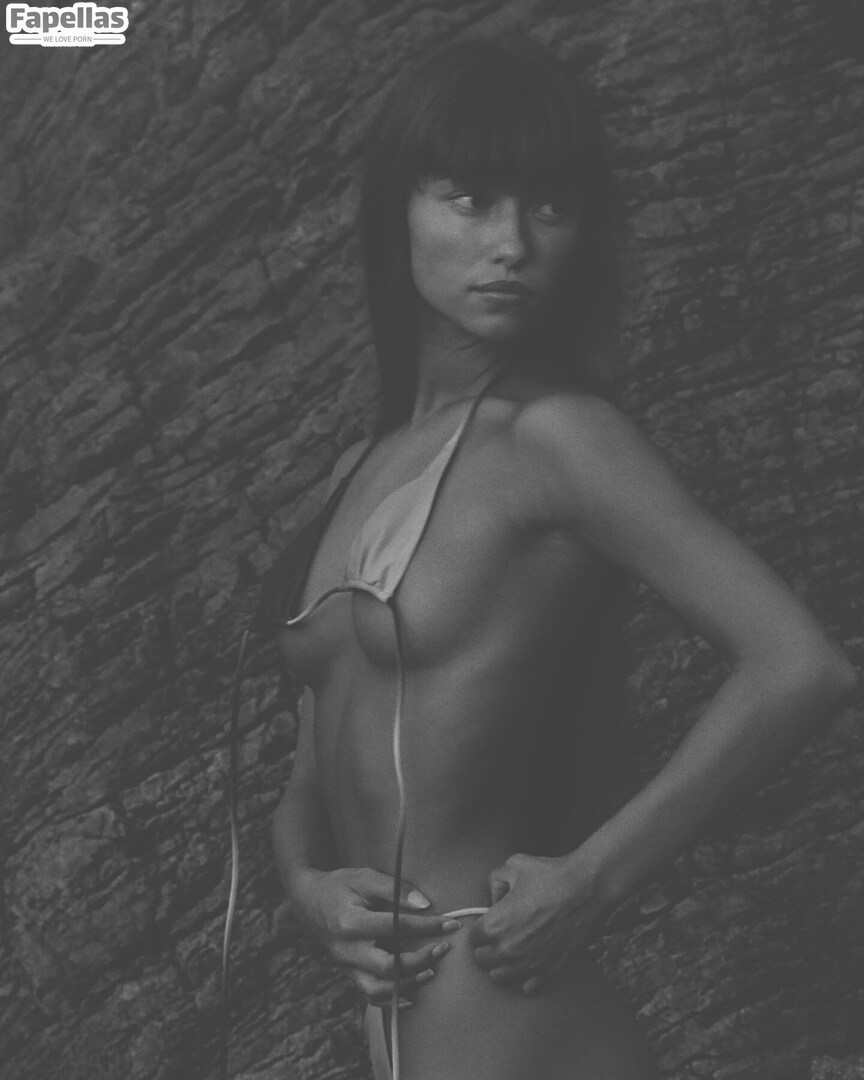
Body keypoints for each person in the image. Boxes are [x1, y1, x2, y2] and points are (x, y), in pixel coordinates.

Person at [244, 37, 856, 1080]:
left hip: (516, 1023)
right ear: (398, 210)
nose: (513, 245)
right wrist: (310, 888)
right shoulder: (361, 469)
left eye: (551, 208)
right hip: (400, 1036)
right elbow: (311, 770)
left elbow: (800, 666)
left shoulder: (558, 439)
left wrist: (592, 880)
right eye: (470, 200)